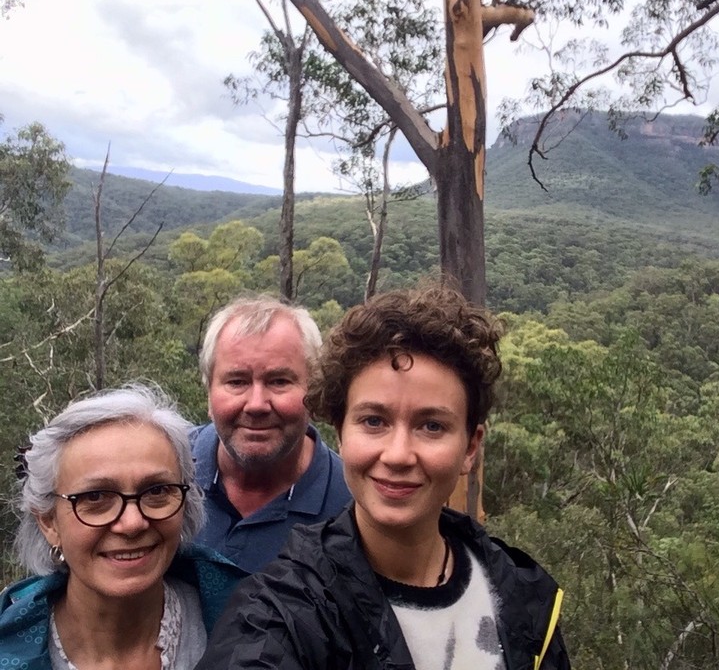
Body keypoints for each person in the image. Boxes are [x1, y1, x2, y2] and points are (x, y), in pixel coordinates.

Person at [198, 284, 570, 670]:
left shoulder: (524, 599)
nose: (397, 455)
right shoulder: (283, 609)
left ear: (471, 448)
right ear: (340, 433)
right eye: (374, 421)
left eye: (431, 426)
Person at [0, 384, 247, 669]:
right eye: (95, 497)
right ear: (48, 520)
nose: (132, 524)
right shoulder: (11, 649)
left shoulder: (249, 621)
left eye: (156, 491)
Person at [191, 295, 352, 572]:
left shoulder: (353, 508)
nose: (256, 405)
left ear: (313, 392)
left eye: (279, 381)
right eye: (237, 381)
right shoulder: (162, 476)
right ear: (209, 395)